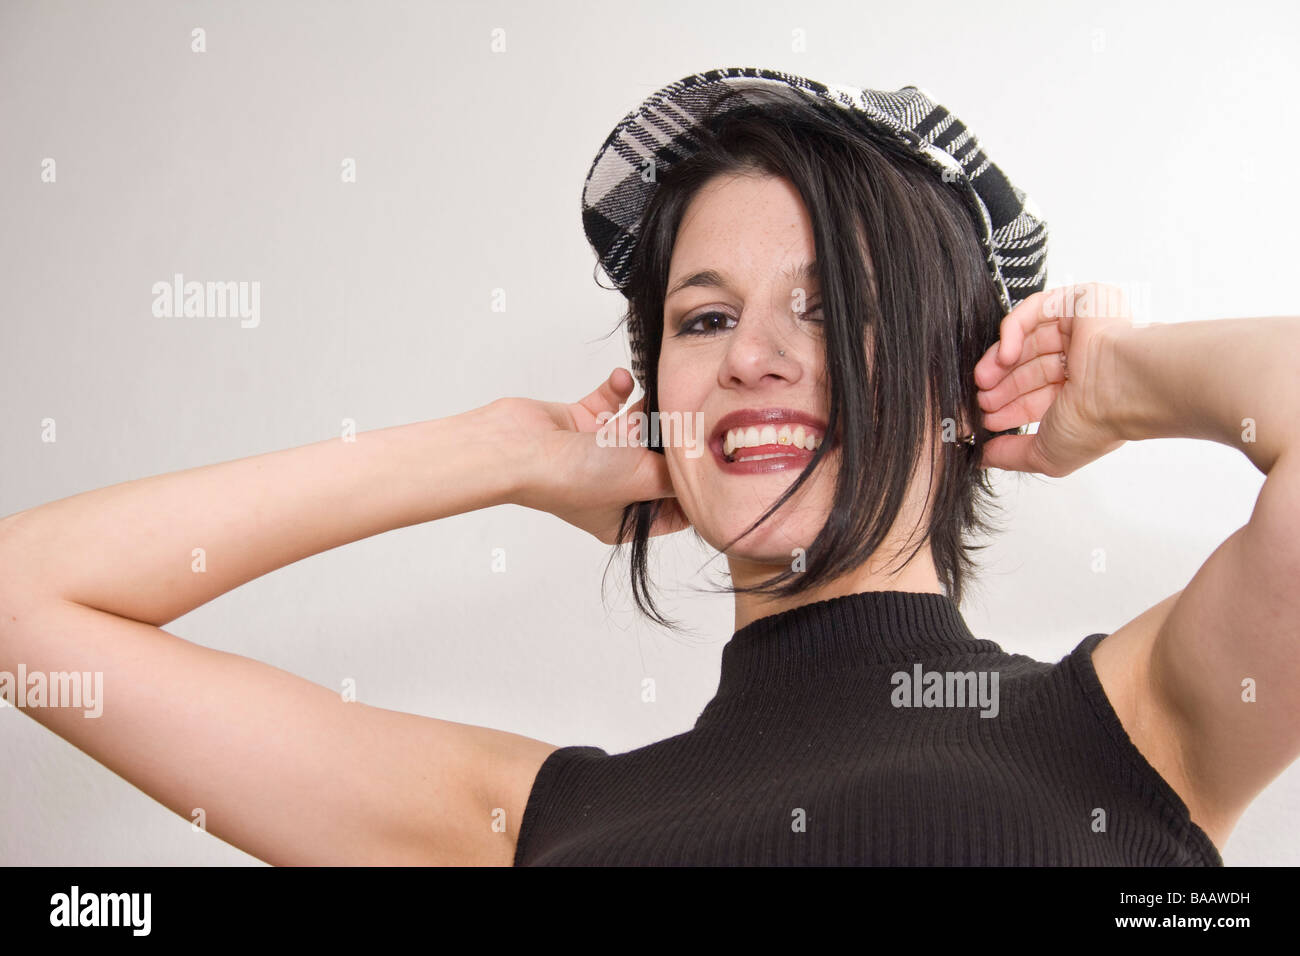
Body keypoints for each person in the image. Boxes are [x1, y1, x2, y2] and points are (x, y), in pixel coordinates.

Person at [2, 68, 1296, 866]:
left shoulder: (1135, 725)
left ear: (959, 383)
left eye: (832, 306)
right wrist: (509, 450)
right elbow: (27, 604)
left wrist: (1119, 381)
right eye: (704, 317)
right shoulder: (526, 823)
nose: (755, 357)